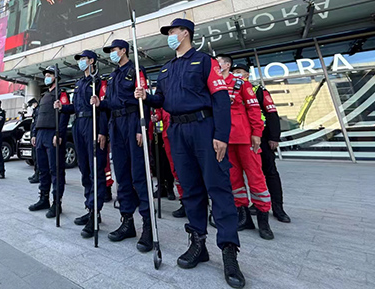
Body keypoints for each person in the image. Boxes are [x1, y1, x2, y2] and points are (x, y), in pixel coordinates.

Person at [135, 19, 245, 289]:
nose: (169, 37)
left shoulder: (205, 61)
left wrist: (221, 135)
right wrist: (146, 96)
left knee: (219, 188)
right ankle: (198, 243)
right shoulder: (166, 68)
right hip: (177, 131)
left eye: (172, 32)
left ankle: (229, 252)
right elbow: (161, 99)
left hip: (204, 128)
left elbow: (220, 99)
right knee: (191, 190)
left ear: (185, 33)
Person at [90, 39, 153, 253]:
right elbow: (110, 103)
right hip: (115, 125)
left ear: (123, 51)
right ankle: (127, 222)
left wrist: (140, 129)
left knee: (139, 176)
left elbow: (143, 100)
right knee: (122, 176)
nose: (111, 55)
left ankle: (148, 227)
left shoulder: (135, 70)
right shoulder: (113, 76)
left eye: (114, 51)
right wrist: (100, 103)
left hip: (133, 122)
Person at [217, 55, 274, 241]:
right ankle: (244, 216)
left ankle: (264, 221)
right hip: (226, 140)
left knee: (256, 178)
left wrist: (257, 132)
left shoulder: (241, 84)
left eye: (218, 61)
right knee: (234, 180)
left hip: (245, 138)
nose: (215, 64)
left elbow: (254, 109)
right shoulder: (214, 84)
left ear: (227, 65)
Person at [54, 50, 108, 238]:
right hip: (79, 125)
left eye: (83, 59)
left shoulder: (99, 82)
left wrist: (102, 131)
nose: (81, 63)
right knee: (84, 170)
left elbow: (103, 109)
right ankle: (90, 207)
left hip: (93, 124)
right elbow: (75, 108)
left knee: (95, 170)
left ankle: (95, 211)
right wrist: (62, 107)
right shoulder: (79, 83)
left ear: (92, 61)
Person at [231, 64, 290, 223]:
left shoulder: (258, 90)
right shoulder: (231, 89)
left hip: (261, 137)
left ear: (247, 75)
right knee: (245, 174)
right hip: (242, 137)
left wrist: (274, 137)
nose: (236, 75)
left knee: (269, 172)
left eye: (239, 72)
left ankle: (278, 208)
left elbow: (271, 113)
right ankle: (250, 207)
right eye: (234, 72)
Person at [28, 66, 70, 218]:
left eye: (49, 75)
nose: (46, 77)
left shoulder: (61, 93)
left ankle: (56, 203)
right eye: (45, 75)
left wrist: (59, 133)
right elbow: (37, 116)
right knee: (43, 169)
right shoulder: (45, 95)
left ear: (56, 77)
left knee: (55, 170)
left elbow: (64, 115)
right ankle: (43, 198)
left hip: (53, 133)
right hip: (40, 135)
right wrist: (34, 133)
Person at [27, 98, 40, 184]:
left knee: (37, 158)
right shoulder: (35, 111)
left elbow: (36, 125)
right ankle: (36, 174)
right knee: (34, 157)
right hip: (34, 136)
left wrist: (34, 135)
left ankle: (38, 175)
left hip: (37, 137)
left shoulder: (38, 111)